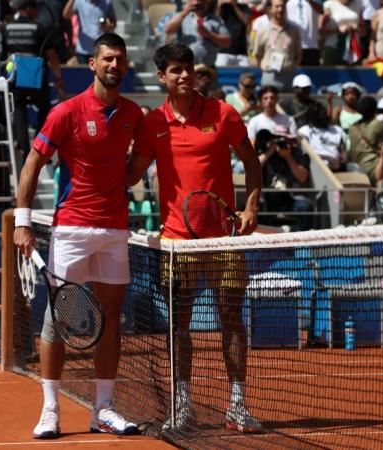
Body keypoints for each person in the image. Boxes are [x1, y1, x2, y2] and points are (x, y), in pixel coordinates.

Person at [13, 33, 144, 439]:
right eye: (107, 59)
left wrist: (129, 177)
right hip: (71, 228)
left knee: (110, 321)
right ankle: (51, 409)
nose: (114, 66)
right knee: (58, 320)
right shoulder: (66, 112)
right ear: (92, 64)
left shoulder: (134, 114)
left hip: (114, 229)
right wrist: (22, 220)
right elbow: (33, 163)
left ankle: (102, 409)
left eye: (120, 60)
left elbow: (137, 163)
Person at [127, 43, 263, 433]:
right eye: (175, 71)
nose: (184, 76)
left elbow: (252, 165)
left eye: (187, 69)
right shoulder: (152, 122)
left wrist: (251, 206)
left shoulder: (223, 113)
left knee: (232, 319)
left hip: (224, 238)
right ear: (161, 76)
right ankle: (182, 404)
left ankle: (237, 403)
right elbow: (131, 175)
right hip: (176, 240)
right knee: (178, 325)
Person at [2, 0, 64, 159]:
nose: (38, 12)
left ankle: (23, 147)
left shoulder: (6, 29)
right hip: (34, 76)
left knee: (19, 111)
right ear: (28, 10)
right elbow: (52, 56)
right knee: (45, 108)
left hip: (14, 77)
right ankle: (39, 142)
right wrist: (58, 78)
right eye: (35, 9)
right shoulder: (39, 28)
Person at [257, 129, 314, 229]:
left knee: (306, 207)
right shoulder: (268, 153)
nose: (281, 143)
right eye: (278, 140)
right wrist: (269, 153)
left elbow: (302, 177)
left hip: (291, 200)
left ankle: (302, 242)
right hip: (269, 200)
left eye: (285, 140)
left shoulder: (298, 154)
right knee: (254, 209)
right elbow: (254, 167)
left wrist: (288, 157)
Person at [252, 0, 302, 91]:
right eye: (277, 6)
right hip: (270, 76)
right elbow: (257, 55)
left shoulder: (293, 30)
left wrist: (291, 67)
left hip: (289, 75)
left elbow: (298, 54)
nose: (280, 9)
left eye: (283, 6)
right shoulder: (262, 30)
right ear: (270, 9)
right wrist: (264, 70)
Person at [164, 0, 231, 66]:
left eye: (202, 1)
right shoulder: (181, 17)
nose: (198, 3)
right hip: (185, 67)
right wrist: (185, 12)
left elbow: (227, 43)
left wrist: (210, 35)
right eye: (196, 1)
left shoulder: (216, 19)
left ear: (208, 2)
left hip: (207, 68)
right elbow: (168, 30)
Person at [63, 0, 116, 64]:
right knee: (83, 74)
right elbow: (66, 15)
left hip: (101, 50)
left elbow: (113, 23)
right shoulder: (79, 2)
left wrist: (107, 26)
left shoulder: (107, 2)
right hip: (83, 51)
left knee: (100, 73)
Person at [349, 95, 383, 183]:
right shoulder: (378, 125)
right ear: (374, 109)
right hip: (374, 164)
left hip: (357, 166)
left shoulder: (352, 127)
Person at [298, 101, 347, 170]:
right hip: (317, 167)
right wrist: (328, 158)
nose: (324, 116)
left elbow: (342, 150)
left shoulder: (337, 130)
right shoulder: (305, 131)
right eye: (320, 114)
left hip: (337, 167)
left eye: (324, 113)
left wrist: (342, 160)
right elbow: (307, 154)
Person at [319, 0, 363, 66]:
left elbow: (363, 31)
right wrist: (337, 30)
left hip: (353, 50)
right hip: (333, 48)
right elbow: (321, 30)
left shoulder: (358, 4)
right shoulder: (328, 4)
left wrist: (356, 28)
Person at [215, 0, 252, 66]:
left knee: (246, 75)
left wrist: (235, 5)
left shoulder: (244, 7)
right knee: (220, 74)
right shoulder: (221, 7)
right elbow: (216, 20)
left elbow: (246, 21)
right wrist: (219, 4)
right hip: (223, 52)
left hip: (241, 51)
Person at [287, 0, 323, 65]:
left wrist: (310, 1)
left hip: (311, 46)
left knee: (312, 74)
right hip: (291, 46)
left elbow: (321, 10)